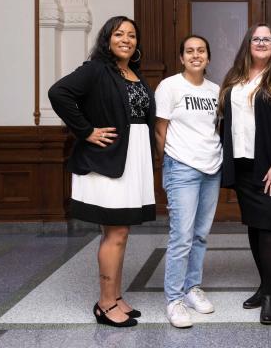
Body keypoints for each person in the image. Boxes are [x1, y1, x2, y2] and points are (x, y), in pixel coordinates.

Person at [48, 16, 156, 327]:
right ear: (107, 39)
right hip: (106, 160)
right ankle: (105, 304)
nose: (126, 39)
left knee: (120, 232)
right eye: (119, 34)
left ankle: (116, 296)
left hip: (131, 159)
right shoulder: (96, 69)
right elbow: (59, 93)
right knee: (116, 232)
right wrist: (85, 131)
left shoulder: (133, 73)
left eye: (132, 35)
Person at [218, 23, 271, 325]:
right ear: (248, 43)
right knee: (254, 227)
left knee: (269, 227)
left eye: (267, 39)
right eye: (256, 38)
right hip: (243, 166)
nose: (262, 42)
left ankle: (269, 296)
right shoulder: (235, 77)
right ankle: (265, 285)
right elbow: (224, 121)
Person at [154, 35, 222, 328]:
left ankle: (192, 287)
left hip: (212, 169)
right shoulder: (170, 86)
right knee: (181, 236)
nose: (196, 55)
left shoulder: (215, 90)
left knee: (200, 234)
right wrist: (169, 163)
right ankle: (174, 300)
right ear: (181, 57)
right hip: (181, 167)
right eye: (190, 51)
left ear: (208, 57)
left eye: (201, 51)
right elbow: (160, 131)